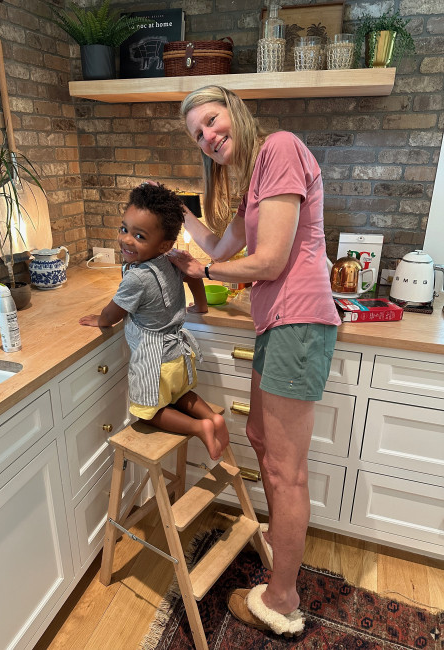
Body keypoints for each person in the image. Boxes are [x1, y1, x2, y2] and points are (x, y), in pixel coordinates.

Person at [168, 85, 341, 637]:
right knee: (262, 440)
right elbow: (220, 248)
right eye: (199, 134)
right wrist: (178, 218)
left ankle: (282, 597)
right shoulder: (251, 181)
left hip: (297, 320)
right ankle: (280, 541)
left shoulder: (281, 148)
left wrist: (202, 275)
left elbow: (268, 261)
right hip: (277, 322)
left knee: (286, 472)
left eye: (213, 121)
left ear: (235, 111)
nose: (209, 137)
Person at [79, 183, 229, 461]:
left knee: (147, 412)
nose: (126, 240)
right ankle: (212, 417)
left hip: (154, 361)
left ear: (163, 244)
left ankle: (200, 426)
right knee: (180, 396)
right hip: (178, 356)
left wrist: (100, 319)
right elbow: (194, 275)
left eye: (139, 236)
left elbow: (114, 314)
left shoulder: (137, 277)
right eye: (124, 229)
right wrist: (202, 305)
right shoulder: (172, 260)